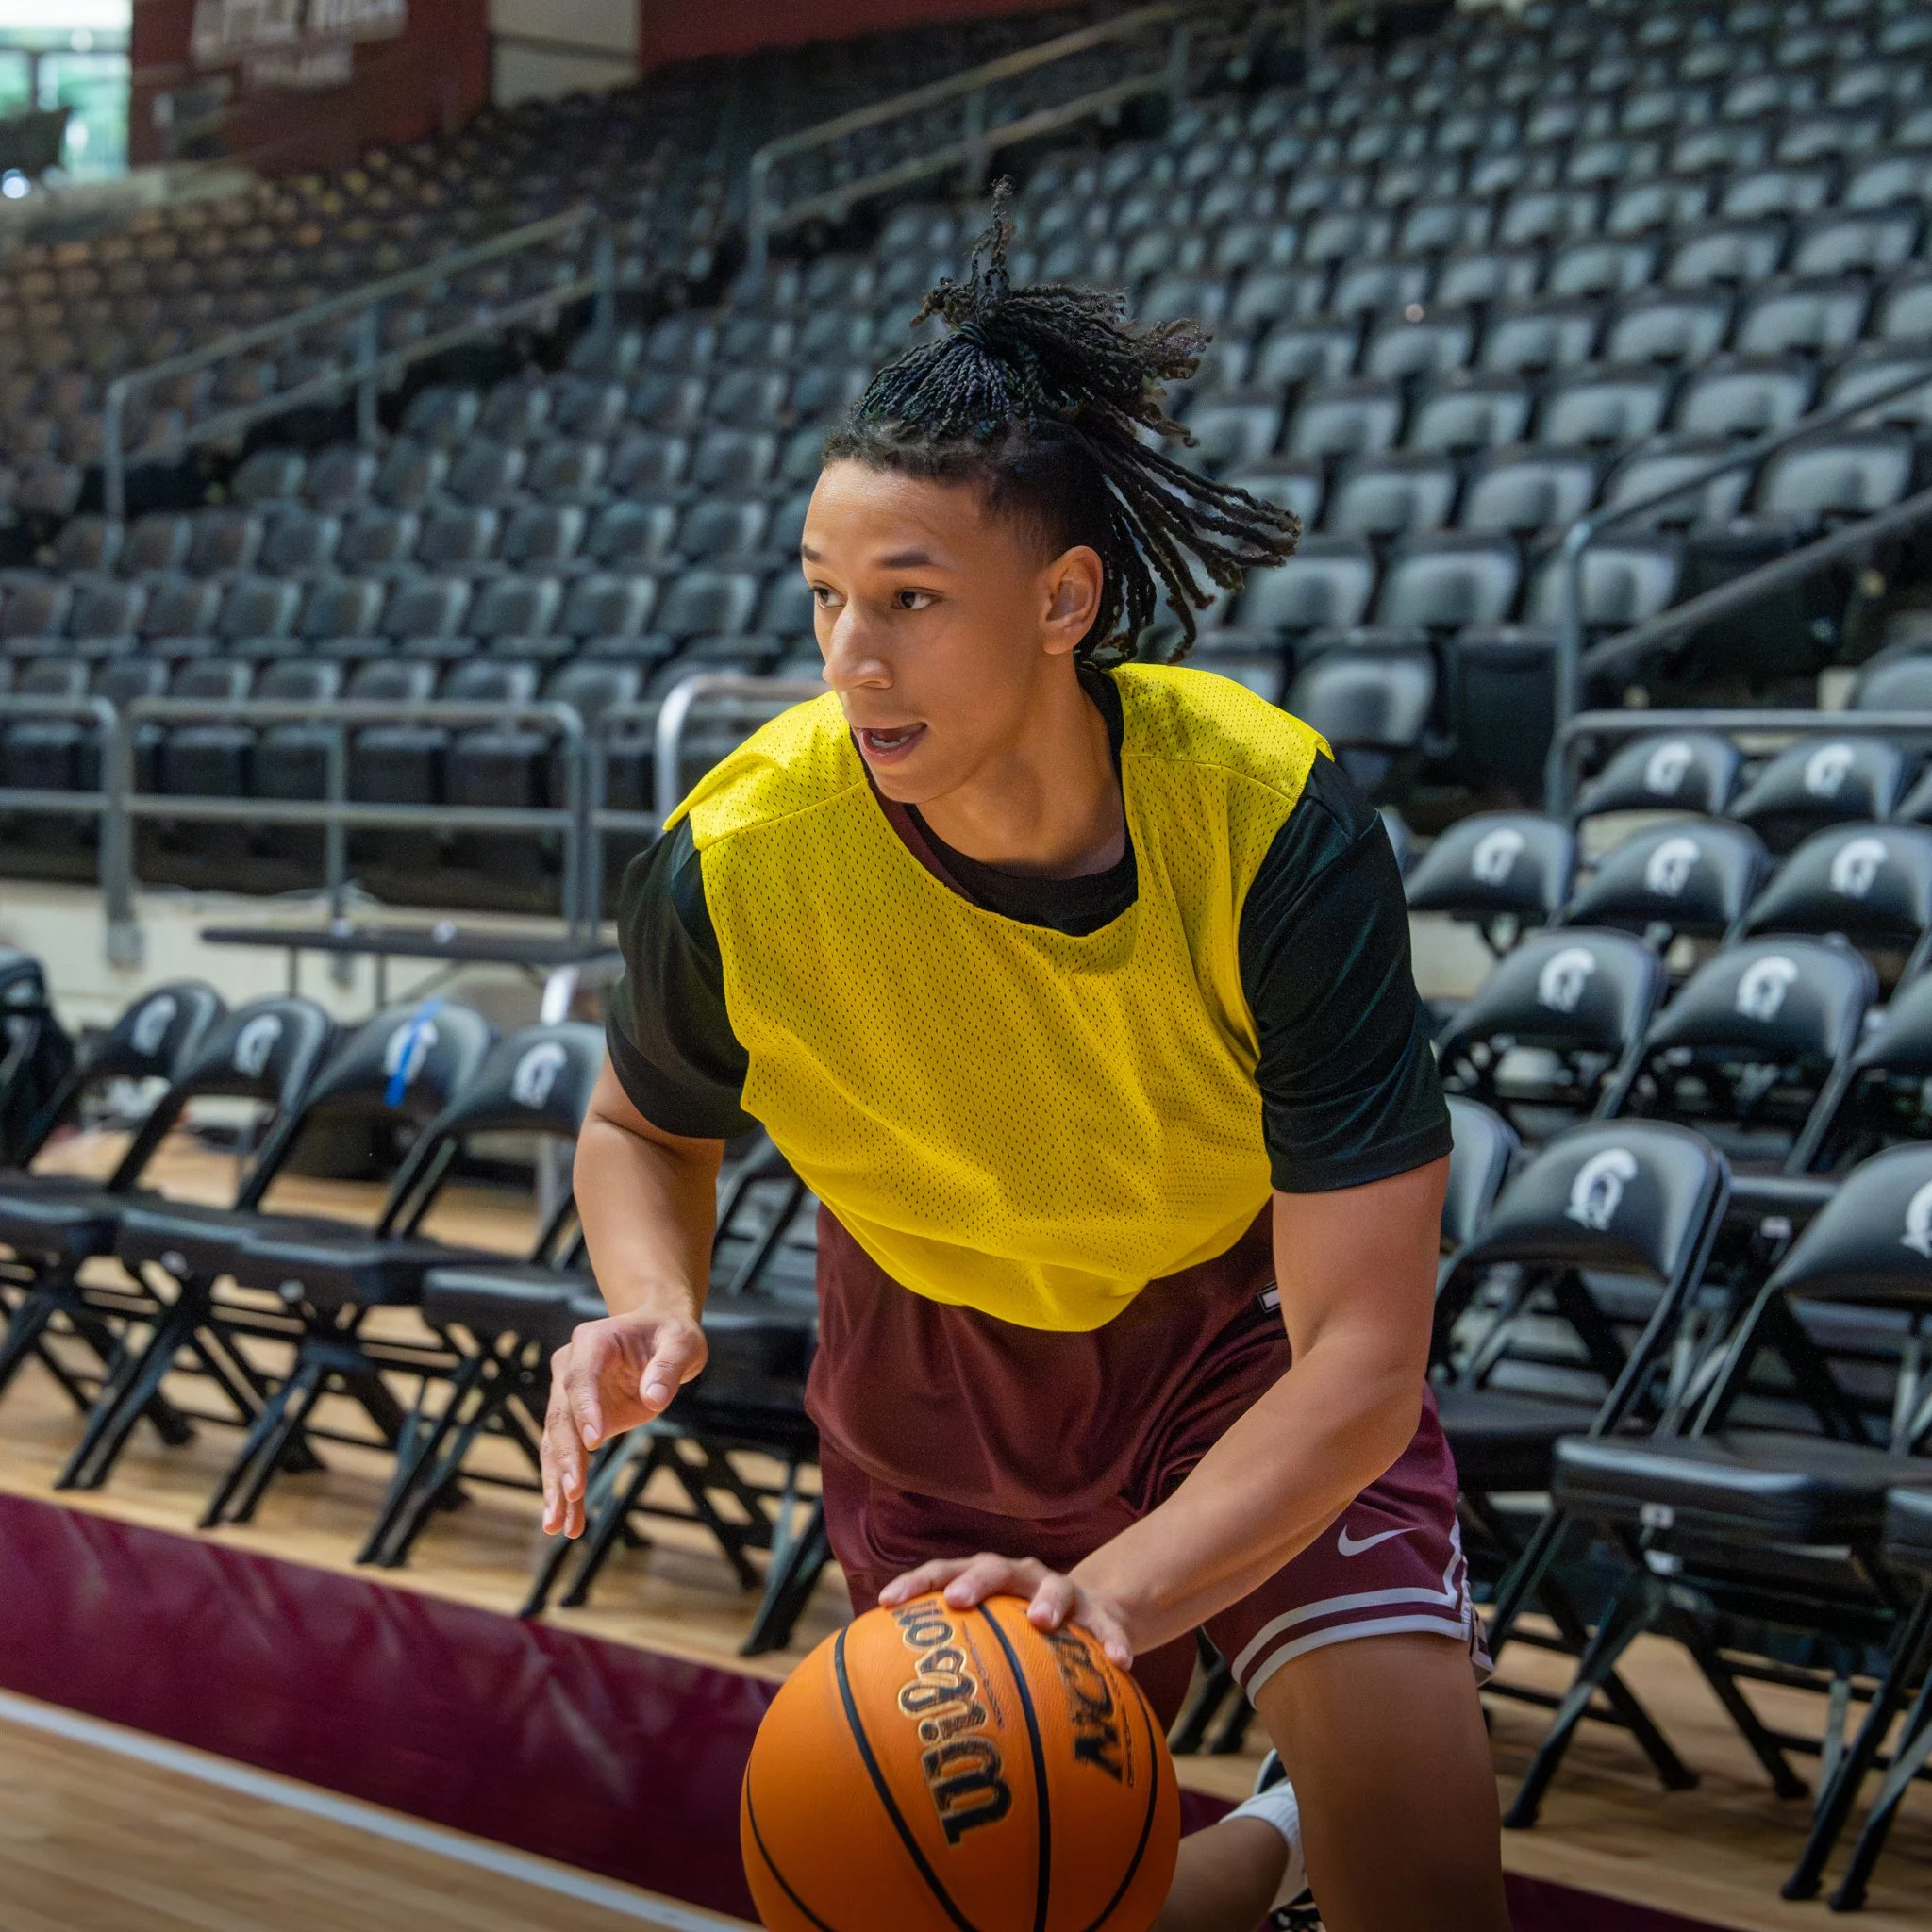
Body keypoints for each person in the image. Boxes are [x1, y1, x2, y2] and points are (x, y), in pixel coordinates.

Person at [541, 190, 1511, 1932]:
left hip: (1239, 1346)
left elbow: (1368, 1353)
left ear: (1066, 598)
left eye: (911, 599)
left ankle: (1326, 1826)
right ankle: (1274, 1845)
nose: (854, 657)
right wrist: (648, 1299)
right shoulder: (739, 858)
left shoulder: (1268, 823)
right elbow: (638, 1124)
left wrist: (1107, 1604)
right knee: (1019, 1911)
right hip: (934, 1390)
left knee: (1430, 1889)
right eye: (828, 597)